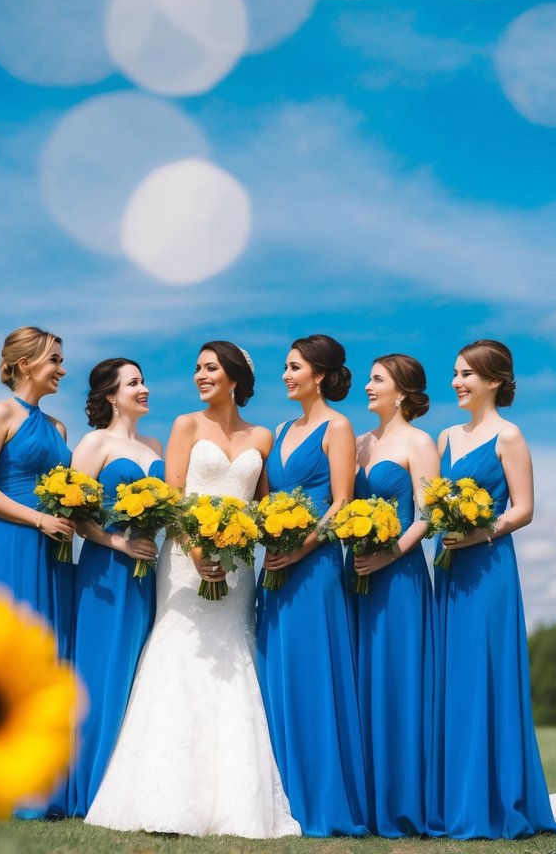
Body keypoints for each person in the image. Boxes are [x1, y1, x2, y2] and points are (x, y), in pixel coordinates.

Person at [85, 341, 300, 839]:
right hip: (185, 561)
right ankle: (164, 794)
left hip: (239, 567)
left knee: (233, 662)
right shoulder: (185, 425)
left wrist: (275, 535)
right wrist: (200, 556)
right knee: (178, 654)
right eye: (197, 369)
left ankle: (235, 802)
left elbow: (264, 507)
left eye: (210, 368)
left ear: (234, 378)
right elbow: (176, 499)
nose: (200, 376)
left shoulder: (262, 435)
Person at [428, 339, 556, 839]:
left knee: (485, 674)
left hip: (488, 570)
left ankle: (496, 798)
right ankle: (453, 797)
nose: (456, 383)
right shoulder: (444, 437)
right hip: (448, 571)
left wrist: (478, 533)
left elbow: (524, 508)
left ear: (494, 382)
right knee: (451, 678)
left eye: (466, 375)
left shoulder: (509, 436)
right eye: (455, 373)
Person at [255, 334, 368, 837]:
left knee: (315, 674)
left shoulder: (338, 426)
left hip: (316, 568)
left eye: (294, 367)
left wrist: (299, 550)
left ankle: (321, 797)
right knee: (275, 673)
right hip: (274, 569)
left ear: (319, 375)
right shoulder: (280, 429)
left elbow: (341, 504)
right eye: (285, 366)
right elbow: (264, 500)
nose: (286, 374)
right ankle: (280, 795)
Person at [67, 357, 163, 816]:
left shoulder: (155, 444)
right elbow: (76, 514)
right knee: (101, 671)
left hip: (149, 575)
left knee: (139, 673)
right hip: (105, 571)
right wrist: (119, 543)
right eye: (133, 383)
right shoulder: (93, 443)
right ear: (110, 395)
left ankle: (127, 786)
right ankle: (88, 783)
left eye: (142, 381)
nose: (143, 388)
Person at [352, 353, 439, 837]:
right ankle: (365, 800)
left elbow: (427, 515)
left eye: (377, 379)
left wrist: (389, 556)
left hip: (400, 577)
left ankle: (405, 802)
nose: (368, 386)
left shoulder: (419, 443)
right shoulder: (361, 443)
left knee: (398, 681)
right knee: (360, 680)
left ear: (401, 391)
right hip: (357, 575)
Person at [0, 326, 75, 658]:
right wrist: (39, 519)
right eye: (54, 360)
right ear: (26, 364)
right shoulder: (0, 414)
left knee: (50, 645)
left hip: (54, 548)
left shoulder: (58, 427)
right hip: (9, 539)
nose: (62, 369)